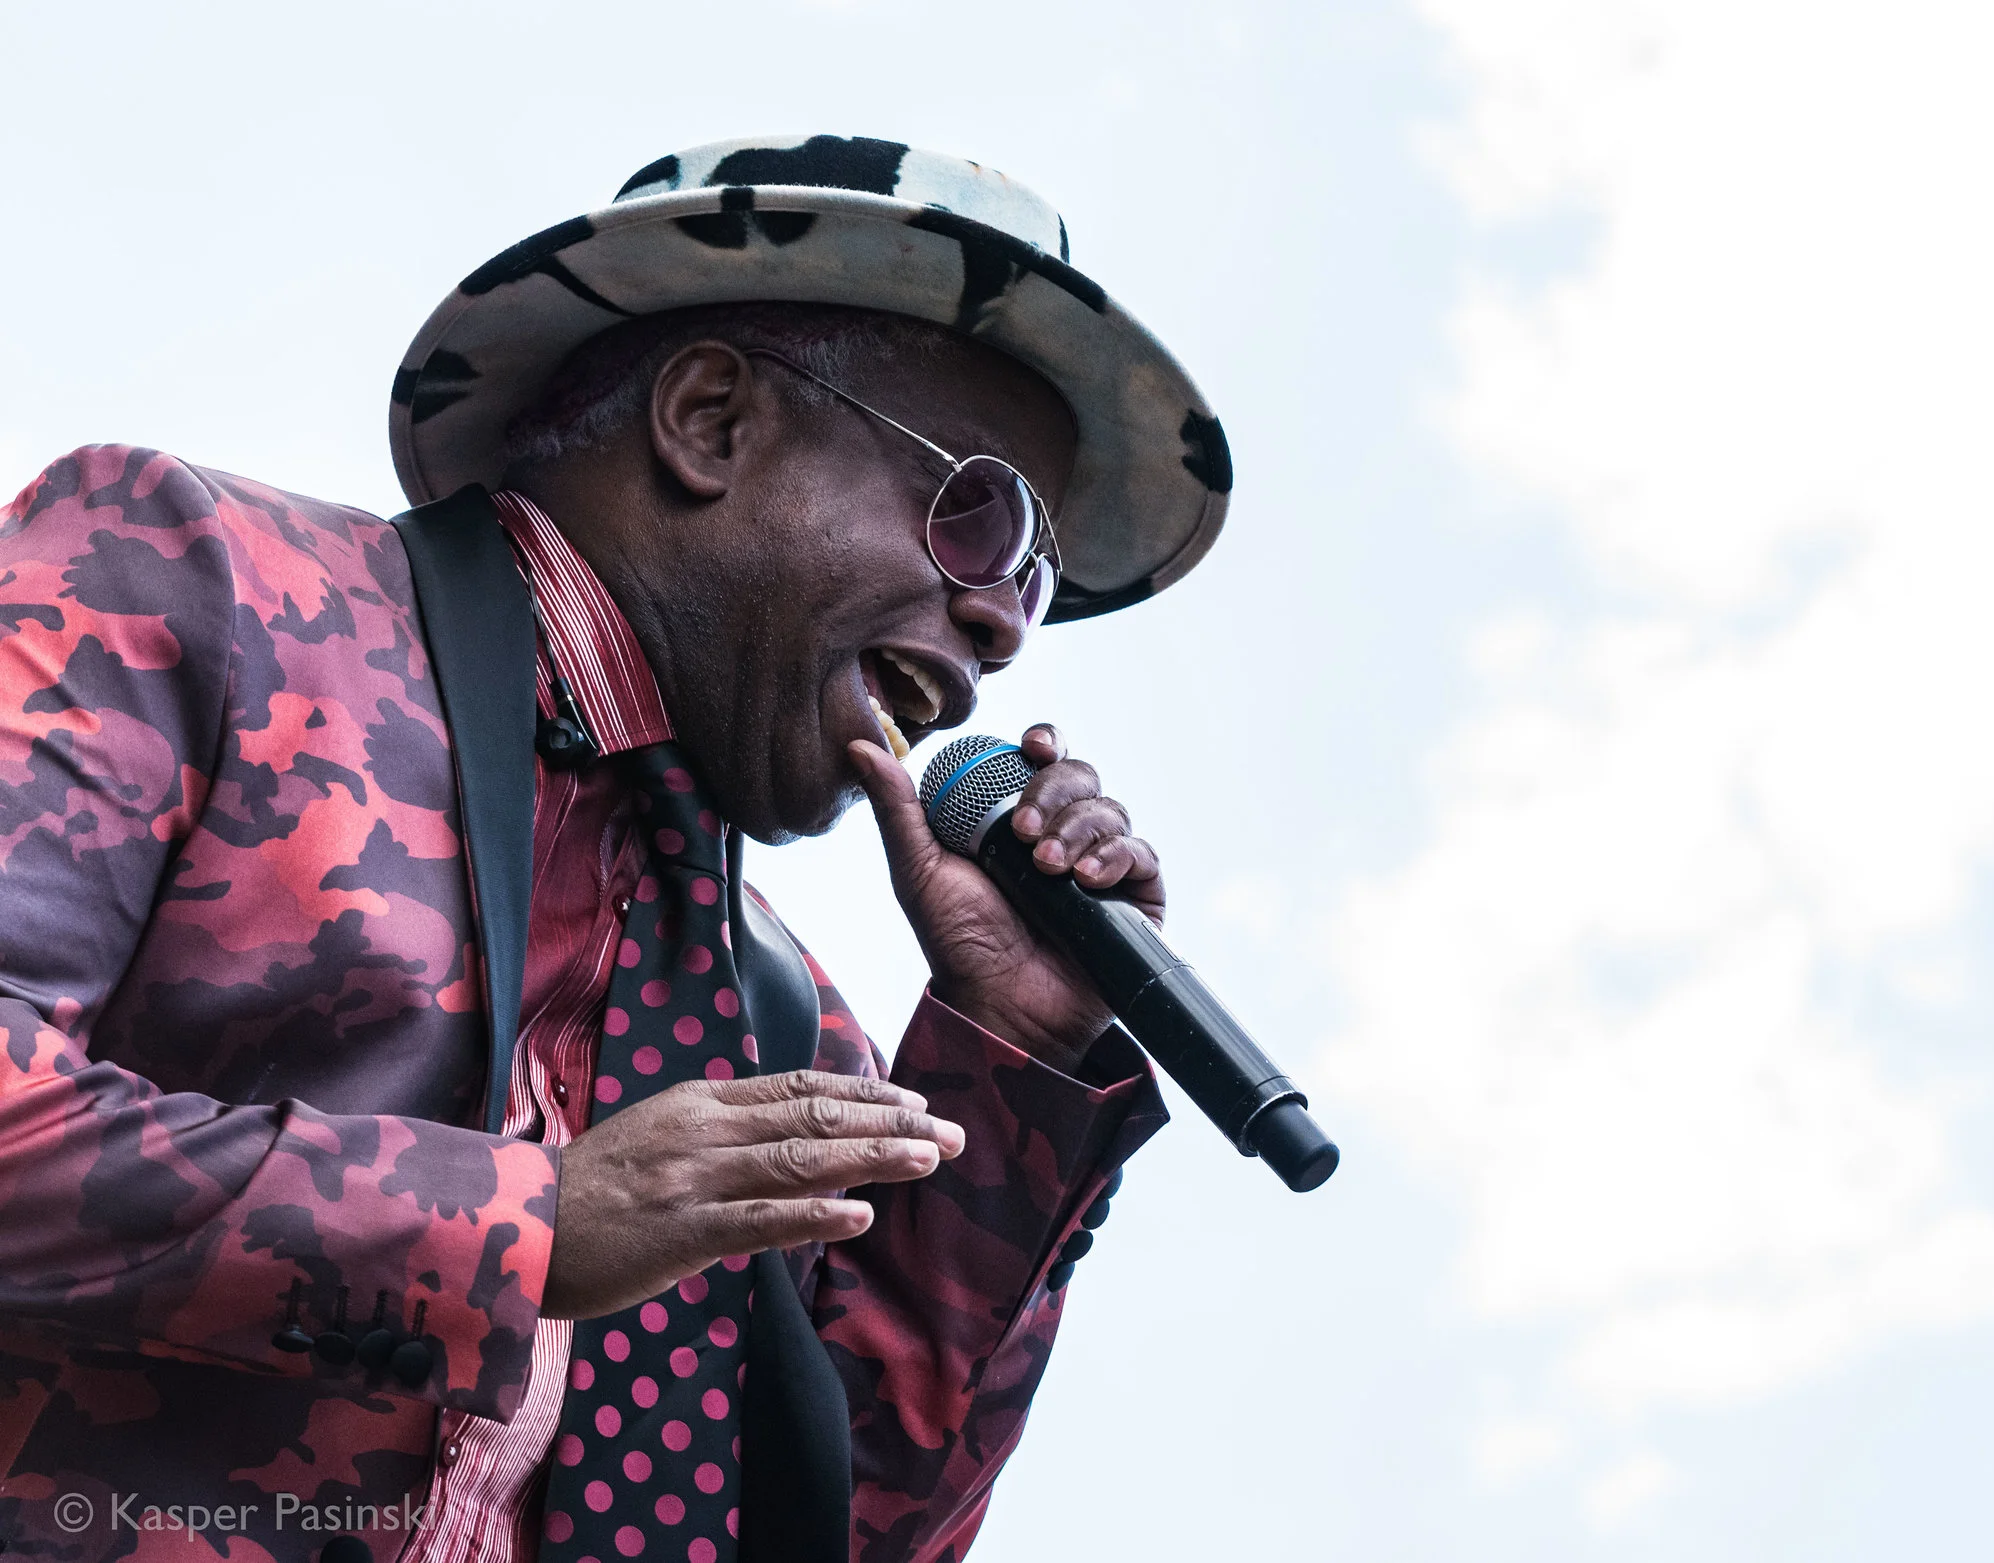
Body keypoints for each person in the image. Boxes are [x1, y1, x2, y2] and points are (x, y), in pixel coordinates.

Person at [0, 134, 1234, 1563]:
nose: (1008, 625)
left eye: (1038, 576)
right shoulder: (198, 579)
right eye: (979, 515)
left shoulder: (786, 1029)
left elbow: (841, 1532)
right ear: (710, 422)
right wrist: (520, 1232)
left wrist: (1013, 1054)